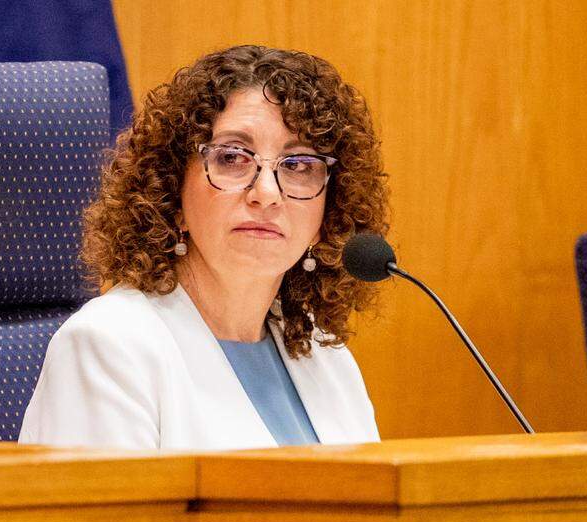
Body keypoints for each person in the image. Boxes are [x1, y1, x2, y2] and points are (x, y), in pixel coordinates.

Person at [19, 45, 389, 450]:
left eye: (298, 165)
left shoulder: (325, 357)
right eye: (232, 157)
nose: (266, 194)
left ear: (326, 215)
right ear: (171, 195)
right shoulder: (107, 347)